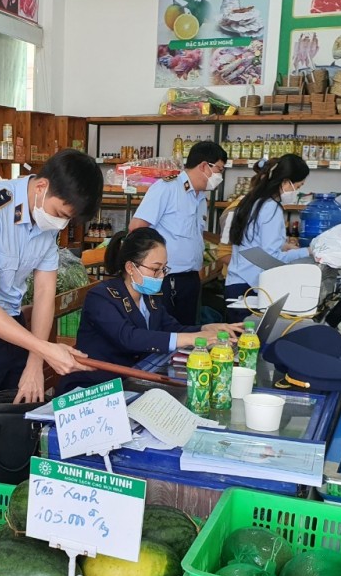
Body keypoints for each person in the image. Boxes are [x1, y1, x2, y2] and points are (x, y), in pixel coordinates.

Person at [0, 150, 103, 421]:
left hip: (13, 329)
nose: (61, 224)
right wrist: (45, 349)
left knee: (11, 426)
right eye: (60, 213)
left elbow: (46, 293)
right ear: (41, 187)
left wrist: (35, 362)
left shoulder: (46, 219)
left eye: (68, 219)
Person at [57, 228, 241, 395]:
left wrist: (208, 328)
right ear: (130, 267)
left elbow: (172, 328)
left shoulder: (149, 297)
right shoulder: (101, 296)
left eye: (164, 269)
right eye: (155, 269)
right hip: (96, 386)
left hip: (133, 380)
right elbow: (128, 337)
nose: (162, 276)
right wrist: (190, 338)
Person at [128, 141, 228, 326]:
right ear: (204, 166)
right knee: (164, 335)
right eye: (219, 170)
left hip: (190, 280)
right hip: (165, 280)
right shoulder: (167, 188)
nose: (219, 176)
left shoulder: (200, 198)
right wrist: (151, 270)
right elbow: (137, 228)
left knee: (187, 335)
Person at [225, 154, 312, 323]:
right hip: (250, 288)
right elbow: (271, 259)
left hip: (236, 283)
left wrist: (285, 246)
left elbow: (252, 244)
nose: (297, 192)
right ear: (286, 182)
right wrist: (307, 252)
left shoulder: (252, 201)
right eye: (298, 186)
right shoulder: (271, 208)